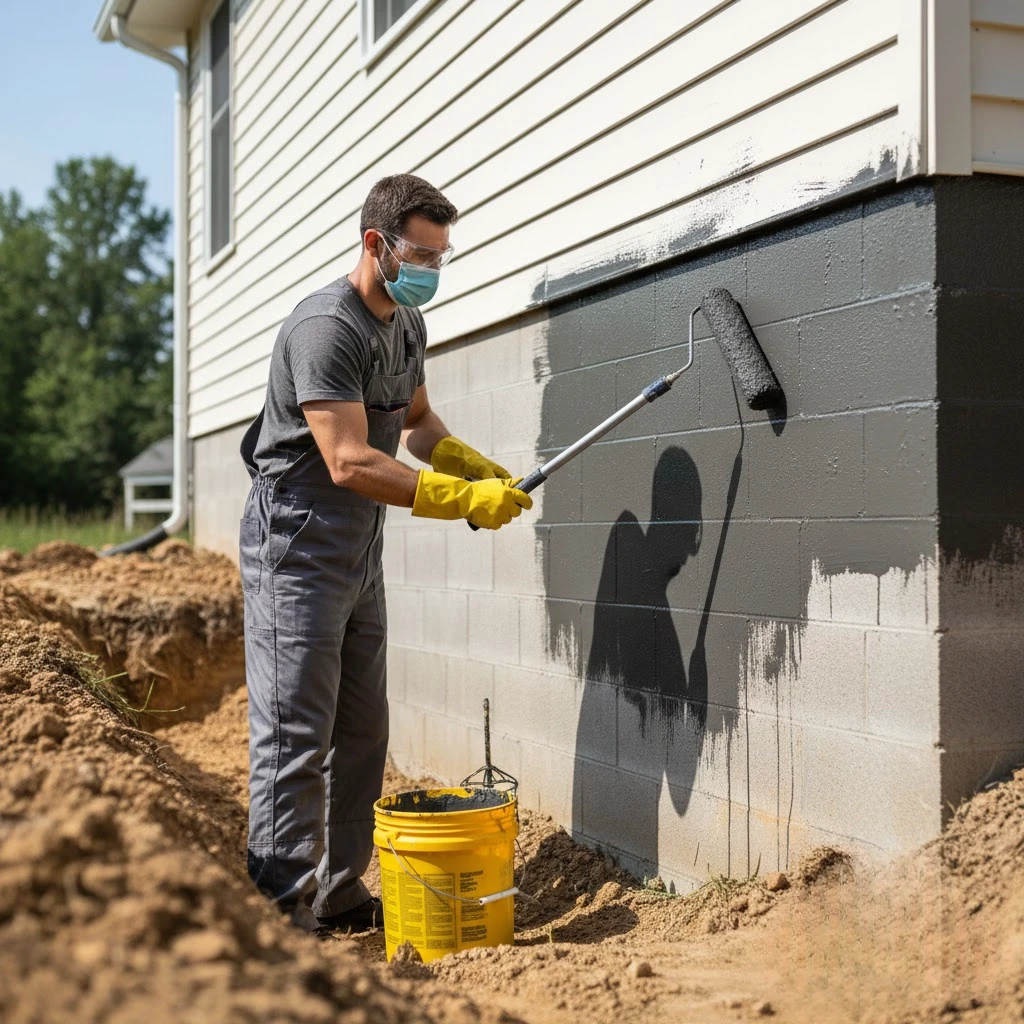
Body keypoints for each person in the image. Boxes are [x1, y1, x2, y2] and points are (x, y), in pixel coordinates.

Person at [237, 174, 531, 934]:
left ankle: (338, 894)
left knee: (364, 733)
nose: (432, 269)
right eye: (422, 255)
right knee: (295, 734)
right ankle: (279, 910)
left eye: (441, 256)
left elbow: (417, 422)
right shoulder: (324, 329)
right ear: (377, 244)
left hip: (358, 552)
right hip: (296, 545)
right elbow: (348, 460)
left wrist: (467, 463)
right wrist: (458, 501)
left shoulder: (406, 325)